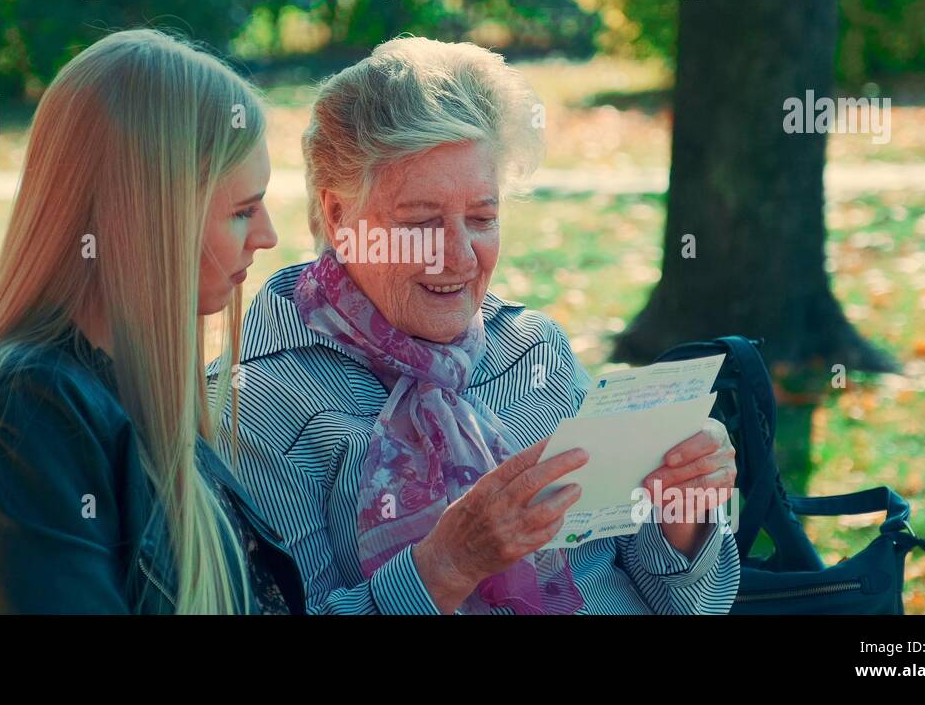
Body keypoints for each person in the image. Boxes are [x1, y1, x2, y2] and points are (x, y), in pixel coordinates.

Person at [219, 36, 740, 614]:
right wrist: (448, 565)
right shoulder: (256, 408)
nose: (462, 257)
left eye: (482, 218)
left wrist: (681, 517)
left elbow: (689, 604)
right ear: (340, 216)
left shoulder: (534, 351)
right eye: (421, 221)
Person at [0, 29, 303, 614]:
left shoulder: (139, 389)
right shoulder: (32, 406)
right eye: (241, 211)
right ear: (150, 218)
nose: (267, 236)